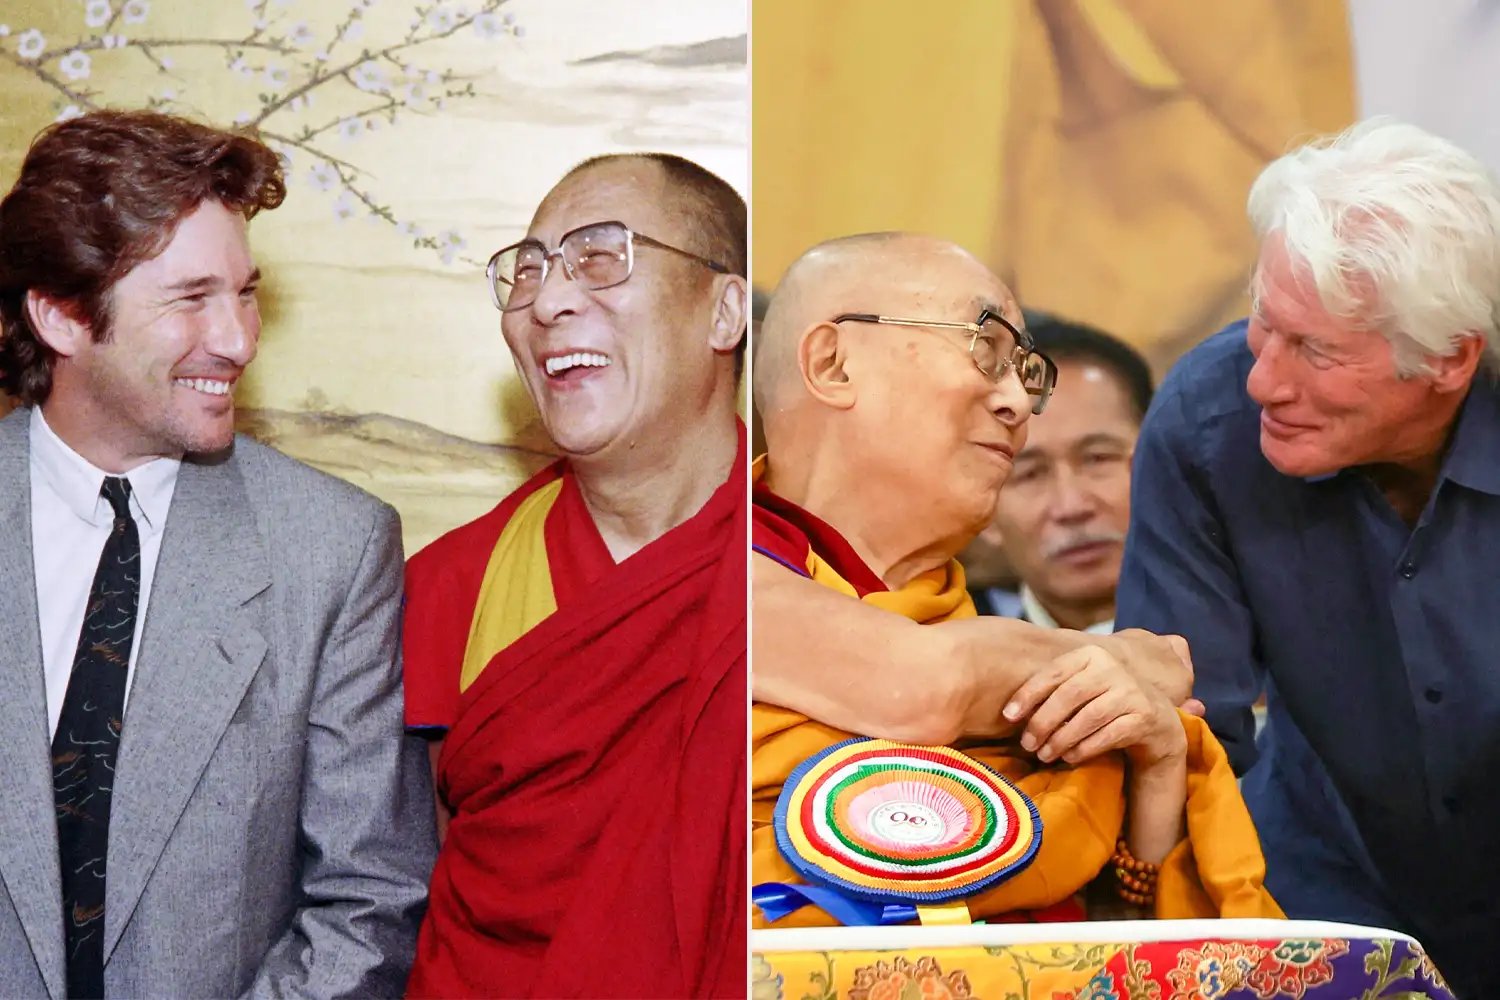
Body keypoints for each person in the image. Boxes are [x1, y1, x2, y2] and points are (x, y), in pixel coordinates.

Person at [0, 110, 435, 998]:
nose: (238, 338)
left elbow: (367, 899)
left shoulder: (332, 550)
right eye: (191, 297)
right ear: (63, 317)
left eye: (245, 292)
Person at [750, 232, 1277, 925]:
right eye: (987, 351)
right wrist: (1132, 660)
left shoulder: (990, 649)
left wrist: (1153, 765)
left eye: (1026, 374)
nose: (1019, 406)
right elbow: (929, 685)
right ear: (833, 363)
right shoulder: (700, 574)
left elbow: (1128, 944)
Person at [1116, 118, 1500, 995]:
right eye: (1264, 322)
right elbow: (1182, 729)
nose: (1263, 381)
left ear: (1449, 360)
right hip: (1315, 916)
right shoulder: (1209, 423)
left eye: (1316, 350)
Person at [402, 153, 747, 998]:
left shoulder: (807, 563)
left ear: (725, 308)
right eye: (526, 271)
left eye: (599, 255)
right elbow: (399, 891)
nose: (546, 301)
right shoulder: (451, 586)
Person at [967, 317, 1153, 633]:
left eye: (1098, 459)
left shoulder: (1255, 649)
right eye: (1029, 474)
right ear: (982, 511)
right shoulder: (970, 678)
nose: (1072, 507)